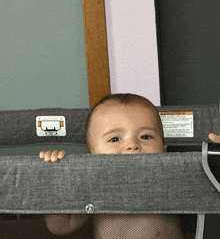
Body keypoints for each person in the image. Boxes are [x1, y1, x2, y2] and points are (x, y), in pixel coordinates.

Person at [39, 93, 220, 239]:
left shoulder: (173, 177)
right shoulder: (93, 185)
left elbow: (211, 195)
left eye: (146, 137)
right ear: (91, 157)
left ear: (164, 150)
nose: (132, 145)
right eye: (115, 139)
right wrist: (58, 178)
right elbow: (60, 227)